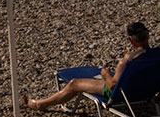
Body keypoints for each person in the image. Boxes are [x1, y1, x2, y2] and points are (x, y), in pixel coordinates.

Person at [22, 21, 151, 111]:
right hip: (145, 91)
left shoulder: (128, 60)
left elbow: (112, 87)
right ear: (147, 35)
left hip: (124, 93)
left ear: (130, 39)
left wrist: (106, 75)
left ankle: (40, 104)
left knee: (74, 83)